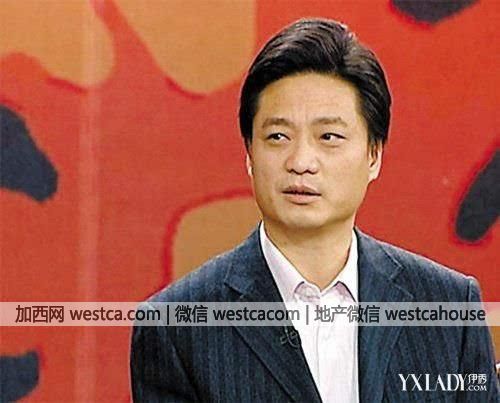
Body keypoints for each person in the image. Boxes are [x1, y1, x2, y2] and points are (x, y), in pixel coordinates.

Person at [130, 18, 499, 402]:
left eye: (329, 137)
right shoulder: (175, 327)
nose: (301, 161)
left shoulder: (449, 308)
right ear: (250, 154)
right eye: (278, 136)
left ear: (374, 155)